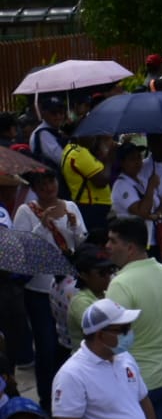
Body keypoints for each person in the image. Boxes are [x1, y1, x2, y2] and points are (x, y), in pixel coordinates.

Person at [103, 215, 162, 419]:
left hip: (135, 384)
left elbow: (110, 340)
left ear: (129, 248)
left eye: (112, 241)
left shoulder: (120, 284)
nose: (107, 247)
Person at [50, 298, 156, 419]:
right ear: (100, 334)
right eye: (123, 329)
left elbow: (143, 400)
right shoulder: (72, 374)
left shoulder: (125, 358)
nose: (129, 333)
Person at [13, 167, 86, 405]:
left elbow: (82, 245)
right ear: (33, 189)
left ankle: (68, 393)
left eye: (51, 181)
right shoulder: (26, 210)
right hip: (40, 289)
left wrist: (74, 227)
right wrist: (42, 226)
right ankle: (46, 397)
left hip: (68, 287)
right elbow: (22, 249)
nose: (48, 188)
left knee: (69, 343)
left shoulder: (71, 207)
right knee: (46, 346)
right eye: (41, 185)